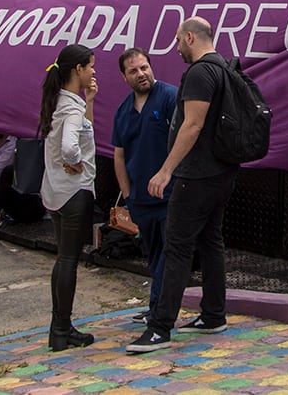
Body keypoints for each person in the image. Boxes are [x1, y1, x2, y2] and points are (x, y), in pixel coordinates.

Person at [127, 17, 237, 354]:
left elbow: (191, 125)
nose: (176, 48)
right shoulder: (225, 68)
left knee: (176, 248)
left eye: (178, 41)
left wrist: (166, 171)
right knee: (211, 242)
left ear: (190, 37)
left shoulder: (200, 72)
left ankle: (160, 327)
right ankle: (213, 314)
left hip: (196, 175)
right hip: (221, 173)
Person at [39, 45, 98, 352]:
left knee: (63, 259)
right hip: (75, 192)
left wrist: (89, 101)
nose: (93, 72)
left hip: (55, 192)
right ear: (77, 70)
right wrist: (73, 159)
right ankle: (62, 328)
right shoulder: (71, 109)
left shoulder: (60, 102)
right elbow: (69, 146)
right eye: (90, 67)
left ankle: (58, 327)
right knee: (69, 261)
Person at [112, 48, 178, 320]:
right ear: (124, 77)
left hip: (170, 195)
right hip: (140, 200)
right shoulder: (123, 111)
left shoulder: (170, 98)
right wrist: (128, 195)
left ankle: (159, 311)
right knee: (153, 256)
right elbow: (119, 153)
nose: (141, 74)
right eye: (133, 71)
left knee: (169, 254)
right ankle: (155, 307)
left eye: (144, 68)